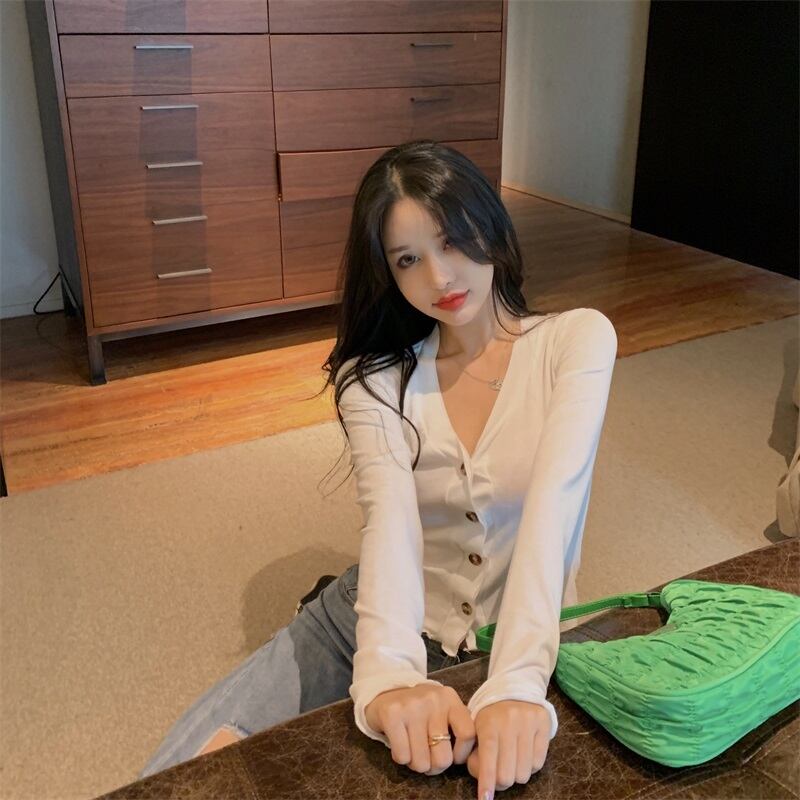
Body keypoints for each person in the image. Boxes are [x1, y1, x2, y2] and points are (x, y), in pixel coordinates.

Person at [137, 140, 618, 800]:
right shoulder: (375, 378)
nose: (440, 277)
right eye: (408, 259)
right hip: (371, 621)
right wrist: (389, 676)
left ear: (490, 223)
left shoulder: (576, 341)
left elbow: (551, 521)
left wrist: (516, 683)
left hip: (518, 640)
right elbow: (390, 522)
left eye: (453, 239)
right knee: (183, 775)